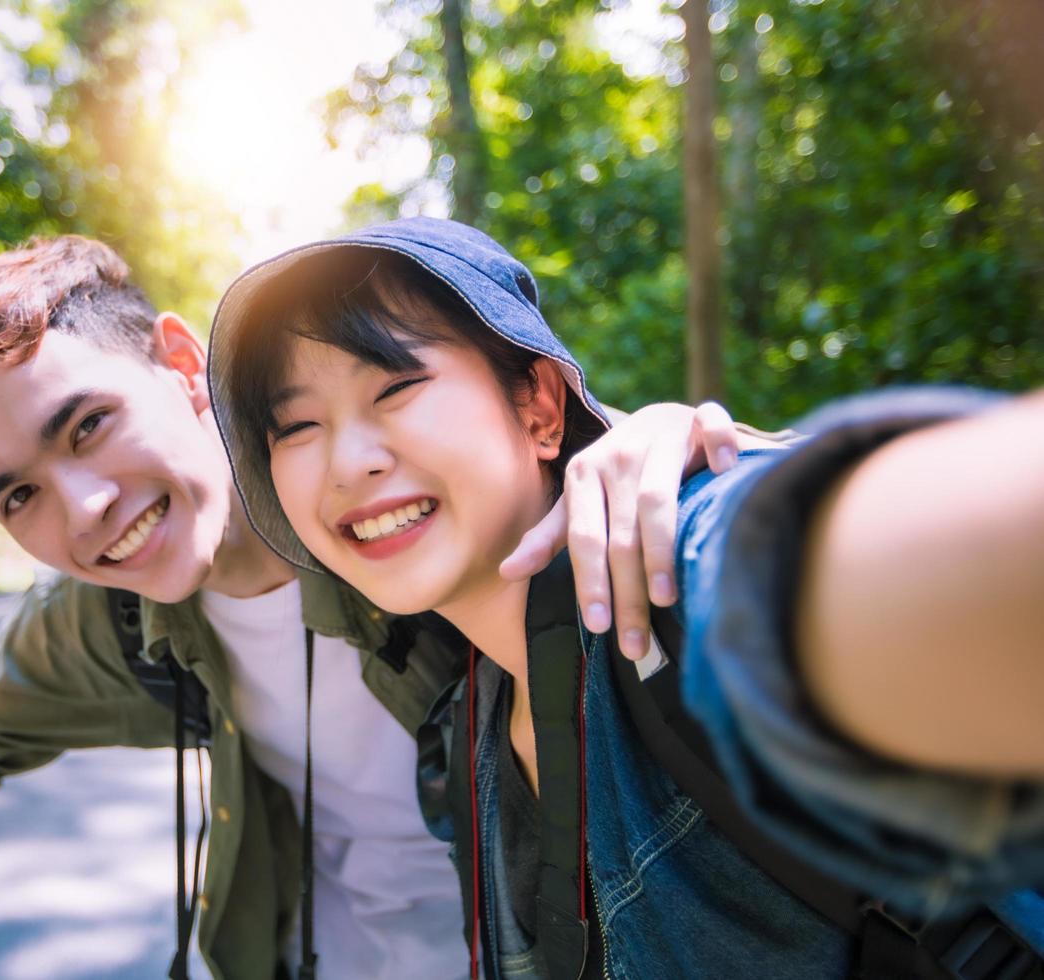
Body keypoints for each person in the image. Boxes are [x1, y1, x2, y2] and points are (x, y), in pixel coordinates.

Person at [0, 235, 770, 979]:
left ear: (184, 367)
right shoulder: (116, 617)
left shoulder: (389, 510)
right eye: (17, 495)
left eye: (87, 426)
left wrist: (652, 442)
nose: (84, 508)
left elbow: (568, 477)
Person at [208, 216, 1044, 978]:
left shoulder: (679, 569)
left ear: (538, 405)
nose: (349, 461)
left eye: (394, 387)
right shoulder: (463, 735)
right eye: (297, 427)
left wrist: (770, 466)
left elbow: (899, 559)